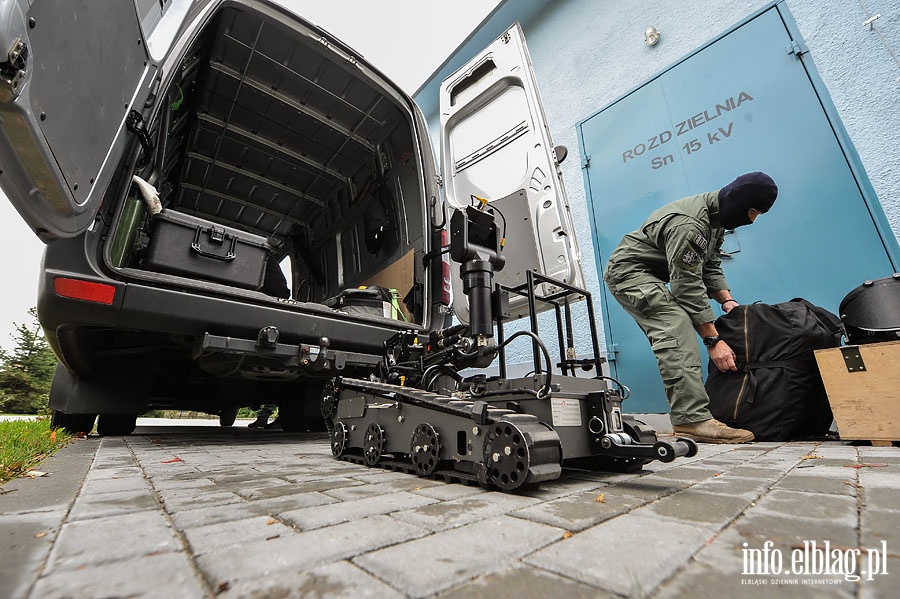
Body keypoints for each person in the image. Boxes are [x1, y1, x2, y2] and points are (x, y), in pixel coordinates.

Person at [603, 172, 778, 443]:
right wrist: (712, 340)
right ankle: (691, 420)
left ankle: (693, 416)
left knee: (684, 320)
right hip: (629, 273)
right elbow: (685, 285)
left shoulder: (716, 221)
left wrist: (728, 301)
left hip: (652, 271)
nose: (753, 220)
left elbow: (710, 265)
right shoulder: (691, 225)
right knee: (674, 325)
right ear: (738, 202)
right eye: (753, 212)